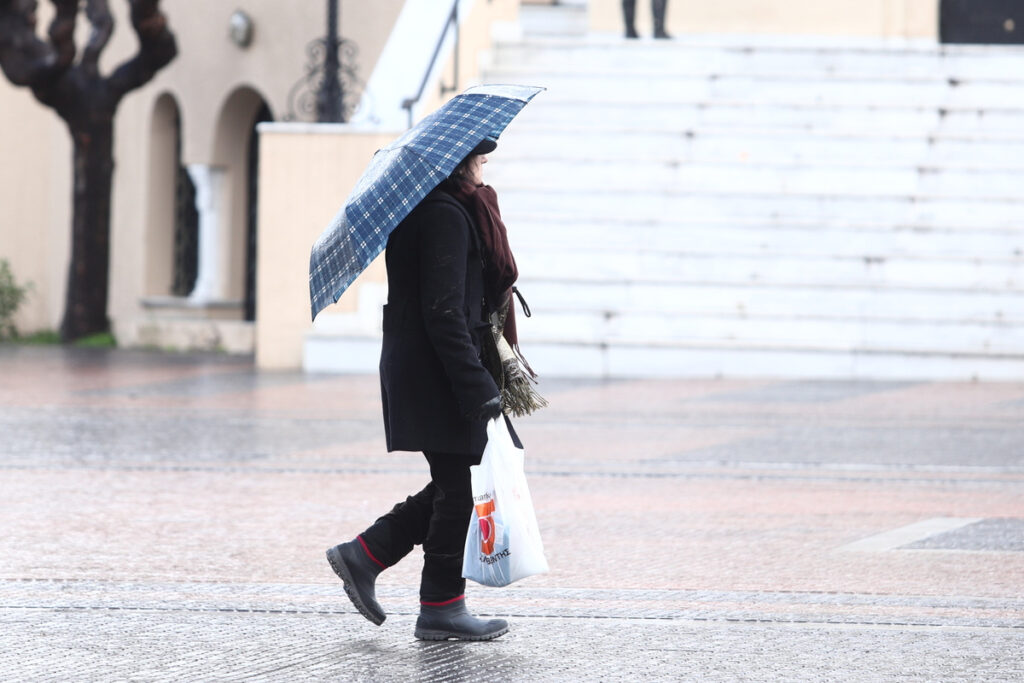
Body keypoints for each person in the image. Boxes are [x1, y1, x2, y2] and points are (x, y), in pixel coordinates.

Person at [326, 139, 525, 642]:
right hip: (438, 374)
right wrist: (477, 386)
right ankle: (439, 606)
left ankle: (367, 554)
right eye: (479, 158)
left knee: (455, 483)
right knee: (460, 488)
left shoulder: (442, 210)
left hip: (432, 368)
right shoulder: (444, 216)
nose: (484, 168)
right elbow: (444, 314)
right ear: (459, 163)